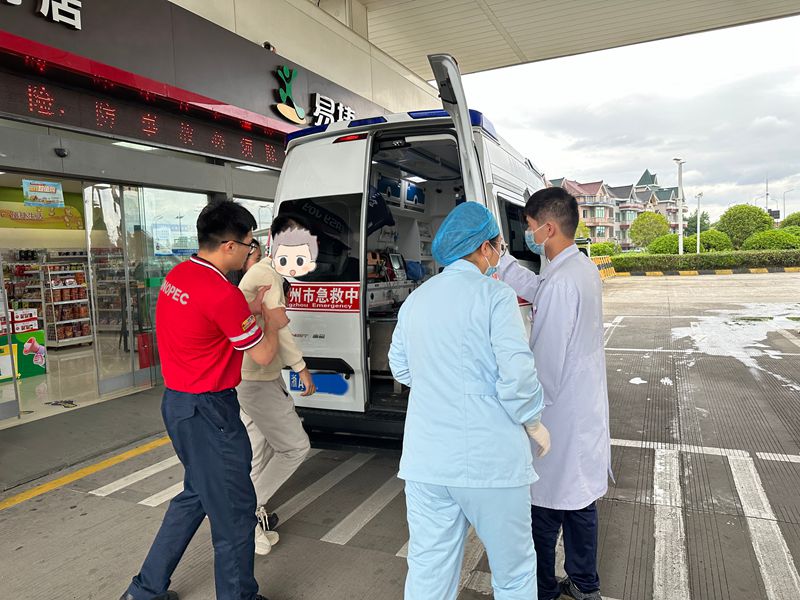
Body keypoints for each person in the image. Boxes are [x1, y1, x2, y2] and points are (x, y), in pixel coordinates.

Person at [120, 200, 290, 600]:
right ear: (230, 246)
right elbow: (264, 354)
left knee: (194, 496)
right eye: (249, 245)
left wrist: (246, 310)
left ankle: (144, 591)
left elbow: (206, 323)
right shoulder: (222, 294)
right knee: (235, 514)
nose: (251, 253)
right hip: (210, 413)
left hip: (179, 406)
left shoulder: (179, 276)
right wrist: (271, 319)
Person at [388, 201, 551, 600]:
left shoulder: (416, 301)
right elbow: (517, 374)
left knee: (429, 569)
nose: (499, 254)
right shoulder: (496, 296)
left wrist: (440, 384)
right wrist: (532, 421)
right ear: (483, 248)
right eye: (498, 246)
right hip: (490, 462)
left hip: (428, 462)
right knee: (513, 573)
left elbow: (400, 367)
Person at [496, 187, 611, 600]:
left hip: (561, 412)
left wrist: (525, 413)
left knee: (545, 509)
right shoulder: (578, 268)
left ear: (547, 228)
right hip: (582, 407)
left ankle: (543, 589)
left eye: (530, 227)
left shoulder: (562, 281)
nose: (529, 235)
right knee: (579, 503)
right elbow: (540, 288)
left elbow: (546, 361)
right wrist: (504, 261)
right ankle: (584, 583)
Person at [236, 215, 318, 556]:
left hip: (249, 375)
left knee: (257, 451)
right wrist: (301, 368)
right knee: (295, 447)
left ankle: (247, 523)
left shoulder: (266, 272)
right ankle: (244, 513)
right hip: (257, 378)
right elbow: (279, 328)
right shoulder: (267, 274)